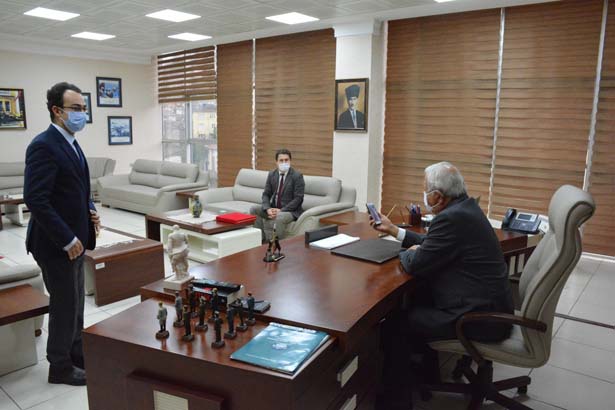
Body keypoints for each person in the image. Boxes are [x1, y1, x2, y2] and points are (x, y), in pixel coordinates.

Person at [370, 162, 514, 410]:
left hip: (479, 318)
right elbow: (433, 242)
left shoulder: (452, 218)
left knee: (396, 324)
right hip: (490, 306)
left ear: (438, 196)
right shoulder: (466, 208)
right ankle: (428, 375)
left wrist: (410, 252)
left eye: (426, 190)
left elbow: (416, 264)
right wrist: (395, 231)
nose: (424, 195)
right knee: (420, 298)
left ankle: (396, 401)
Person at [24, 82, 100, 386]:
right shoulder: (43, 145)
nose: (82, 114)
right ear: (57, 111)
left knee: (76, 302)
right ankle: (59, 366)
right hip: (55, 244)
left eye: (84, 108)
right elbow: (36, 199)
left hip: (77, 240)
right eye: (76, 108)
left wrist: (90, 210)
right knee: (64, 305)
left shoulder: (71, 142)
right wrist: (67, 239)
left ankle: (76, 352)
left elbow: (78, 188)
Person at [250, 149, 305, 241]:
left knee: (279, 217)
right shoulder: (272, 174)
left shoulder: (297, 176)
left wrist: (281, 210)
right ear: (276, 162)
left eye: (286, 160)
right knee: (254, 209)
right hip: (273, 208)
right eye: (281, 160)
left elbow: (298, 199)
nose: (284, 163)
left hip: (290, 211)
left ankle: (277, 245)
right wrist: (268, 209)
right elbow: (266, 194)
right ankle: (260, 240)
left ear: (290, 161)